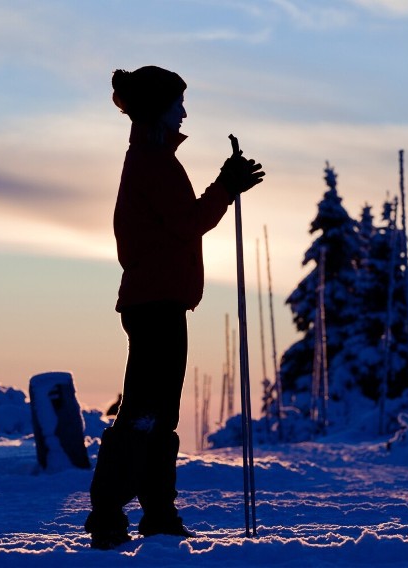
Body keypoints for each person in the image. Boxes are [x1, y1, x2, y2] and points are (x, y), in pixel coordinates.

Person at [84, 65, 265, 550]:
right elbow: (187, 223)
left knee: (157, 414)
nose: (184, 111)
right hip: (155, 302)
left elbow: (179, 224)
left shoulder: (151, 156)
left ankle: (157, 513)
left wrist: (225, 186)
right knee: (145, 413)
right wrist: (226, 186)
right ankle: (110, 514)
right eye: (178, 103)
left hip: (158, 301)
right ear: (159, 108)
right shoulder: (151, 160)